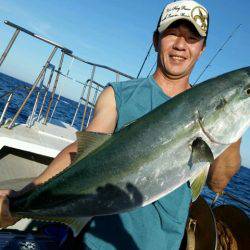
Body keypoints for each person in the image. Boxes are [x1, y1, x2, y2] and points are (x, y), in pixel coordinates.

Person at [0, 1, 241, 249]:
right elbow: (81, 151)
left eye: (191, 38)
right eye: (172, 34)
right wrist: (21, 200)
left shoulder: (216, 114)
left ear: (201, 49)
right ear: (156, 40)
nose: (180, 45)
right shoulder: (119, 95)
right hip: (97, 244)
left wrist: (233, 120)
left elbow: (217, 183)